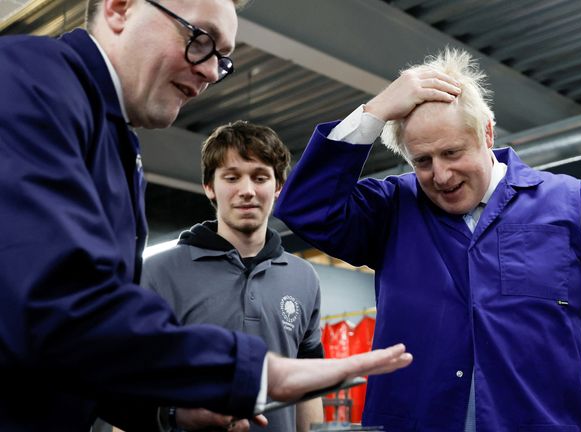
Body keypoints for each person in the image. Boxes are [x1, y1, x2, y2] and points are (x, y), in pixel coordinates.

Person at [0, 0, 412, 430]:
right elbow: (55, 301)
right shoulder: (30, 83)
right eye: (200, 40)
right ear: (120, 8)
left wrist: (169, 413)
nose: (212, 71)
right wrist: (255, 374)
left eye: (222, 58)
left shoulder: (117, 143)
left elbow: (77, 357)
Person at [274, 48, 581, 432]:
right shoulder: (392, 209)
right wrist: (376, 110)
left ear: (487, 133)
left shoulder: (570, 204)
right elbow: (304, 208)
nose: (441, 175)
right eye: (422, 161)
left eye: (453, 153)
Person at [141, 121, 324, 432]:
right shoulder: (157, 273)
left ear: (277, 187)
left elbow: (308, 382)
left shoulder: (304, 278)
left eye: (260, 177)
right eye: (232, 177)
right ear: (210, 187)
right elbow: (133, 386)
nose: (247, 191)